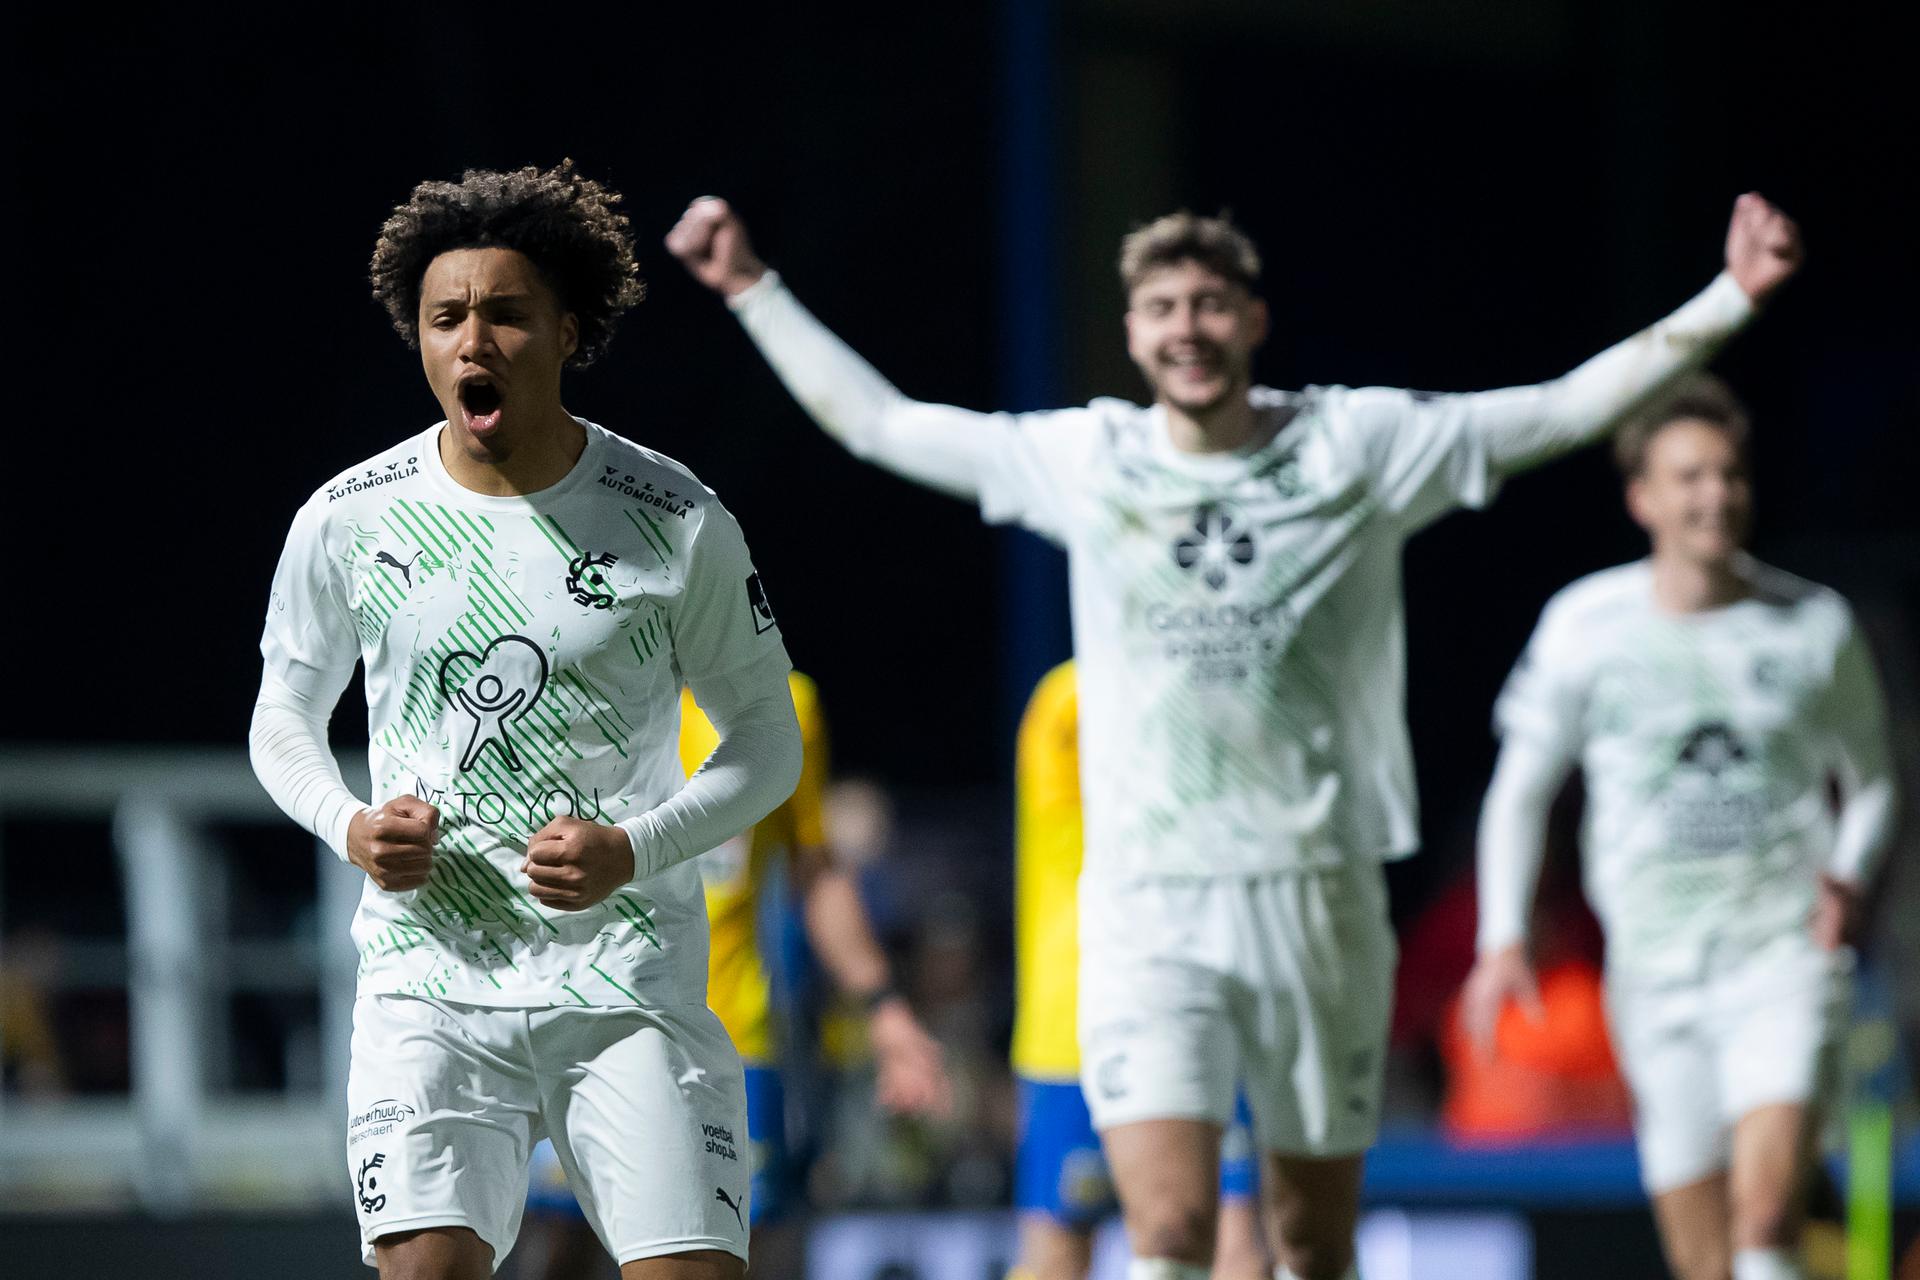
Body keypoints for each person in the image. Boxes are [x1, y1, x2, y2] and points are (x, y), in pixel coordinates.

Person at [666, 191, 1800, 1280]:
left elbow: (1557, 408)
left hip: (1315, 896)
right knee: (1167, 1224)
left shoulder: (1354, 444)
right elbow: (882, 423)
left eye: (1209, 303)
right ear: (1132, 332)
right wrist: (754, 288)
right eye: (1162, 308)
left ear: (1252, 319)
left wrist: (1729, 299)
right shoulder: (1091, 459)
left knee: (1310, 1241)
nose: (1187, 328)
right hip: (1152, 902)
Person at [249, 161, 802, 1280]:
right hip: (431, 975)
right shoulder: (350, 518)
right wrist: (350, 825)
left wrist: (633, 848)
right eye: (445, 317)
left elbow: (767, 740)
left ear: (568, 328)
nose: (473, 341)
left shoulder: (675, 518)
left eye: (506, 314)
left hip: (626, 979)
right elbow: (283, 719)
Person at [1462, 375, 1895, 1280]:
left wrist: (1849, 873)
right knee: (1703, 1258)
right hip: (1653, 974)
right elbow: (1520, 792)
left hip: (1782, 956)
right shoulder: (1586, 626)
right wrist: (1502, 935)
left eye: (1730, 474)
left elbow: (1875, 783)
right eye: (1690, 476)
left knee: (1767, 1212)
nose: (1715, 494)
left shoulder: (1812, 625)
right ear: (1643, 498)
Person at [523, 671, 951, 1279]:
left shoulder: (782, 702)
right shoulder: (581, 678)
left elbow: (815, 870)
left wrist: (886, 1009)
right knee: (560, 1252)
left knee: (735, 1257)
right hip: (587, 1026)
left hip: (729, 1042)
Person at [1010, 661, 1269, 1280]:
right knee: (1060, 1248)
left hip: (1202, 1002)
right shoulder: (1072, 697)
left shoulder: (1224, 682)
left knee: (1235, 1242)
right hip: (1074, 1017)